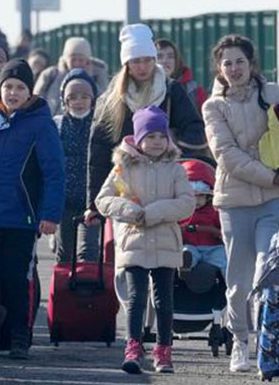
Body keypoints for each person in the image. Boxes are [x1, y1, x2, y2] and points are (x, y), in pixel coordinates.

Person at [202, 34, 279, 373]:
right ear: (219, 68)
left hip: (275, 201)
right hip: (234, 202)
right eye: (227, 63)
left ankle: (264, 342)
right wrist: (274, 177)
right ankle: (239, 341)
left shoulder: (272, 93)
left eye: (239, 61)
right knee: (239, 280)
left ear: (251, 63)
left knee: (267, 267)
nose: (234, 68)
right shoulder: (214, 107)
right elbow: (227, 156)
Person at [0, 59, 65, 360]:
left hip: (23, 216)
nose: (13, 93)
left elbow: (54, 172)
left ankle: (19, 336)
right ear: (0, 89)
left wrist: (50, 214)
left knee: (17, 279)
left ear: (30, 92)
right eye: (8, 87)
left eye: (20, 87)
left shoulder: (41, 123)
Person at [95, 106, 195, 374]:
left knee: (164, 299)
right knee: (136, 297)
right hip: (133, 241)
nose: (157, 142)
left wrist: (154, 213)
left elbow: (187, 203)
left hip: (165, 241)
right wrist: (129, 211)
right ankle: (134, 346)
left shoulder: (175, 169)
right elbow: (103, 199)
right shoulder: (123, 168)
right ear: (138, 138)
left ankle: (163, 350)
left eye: (161, 137)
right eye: (150, 137)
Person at [85, 24, 206, 225]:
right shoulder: (113, 100)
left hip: (165, 188)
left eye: (147, 60)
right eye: (136, 61)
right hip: (126, 191)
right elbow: (98, 151)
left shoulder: (170, 91)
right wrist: (94, 204)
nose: (142, 67)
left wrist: (170, 148)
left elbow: (195, 129)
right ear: (127, 64)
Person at [53, 68, 99, 263]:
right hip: (65, 200)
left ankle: (88, 292)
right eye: (73, 97)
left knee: (88, 252)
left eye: (84, 97)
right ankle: (63, 291)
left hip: (92, 200)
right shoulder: (57, 125)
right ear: (65, 101)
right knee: (65, 251)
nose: (78, 102)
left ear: (93, 99)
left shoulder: (99, 126)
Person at [33, 36, 109, 115]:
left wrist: (90, 79)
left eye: (81, 60)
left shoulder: (98, 75)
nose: (77, 63)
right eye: (73, 59)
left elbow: (104, 102)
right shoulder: (51, 74)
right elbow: (36, 100)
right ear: (66, 59)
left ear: (87, 60)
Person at [178, 158, 226, 274]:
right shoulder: (180, 212)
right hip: (190, 245)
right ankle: (185, 264)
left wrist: (220, 233)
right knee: (186, 252)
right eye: (192, 197)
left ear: (208, 197)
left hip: (212, 247)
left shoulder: (214, 211)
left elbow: (222, 228)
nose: (196, 201)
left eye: (200, 196)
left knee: (224, 259)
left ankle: (231, 285)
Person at [155, 39, 207, 117]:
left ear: (177, 61)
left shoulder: (194, 90)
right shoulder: (143, 88)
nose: (165, 61)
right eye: (159, 57)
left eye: (170, 56)